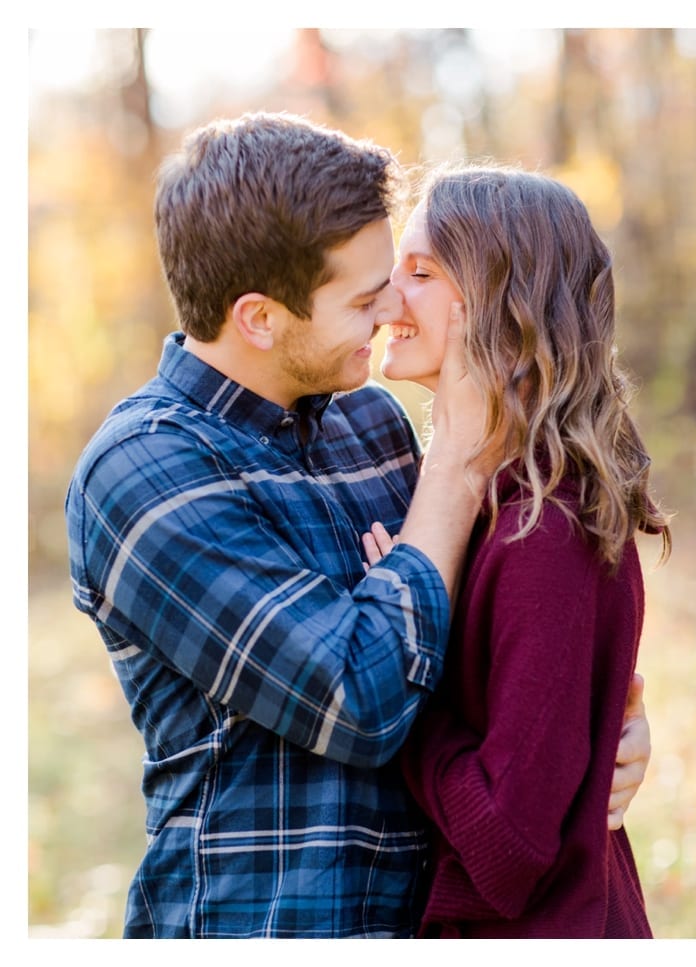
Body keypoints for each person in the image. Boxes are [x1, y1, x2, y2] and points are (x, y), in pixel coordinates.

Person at [64, 113, 650, 938]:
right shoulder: (145, 473)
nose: (387, 312)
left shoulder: (369, 425)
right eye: (366, 294)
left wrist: (599, 729)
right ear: (260, 317)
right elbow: (364, 700)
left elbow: (484, 645)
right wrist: (453, 465)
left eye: (404, 276)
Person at [362, 163, 668, 937]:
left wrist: (400, 680)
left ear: (504, 307)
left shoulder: (547, 531)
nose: (387, 294)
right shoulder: (486, 504)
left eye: (420, 271)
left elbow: (509, 846)